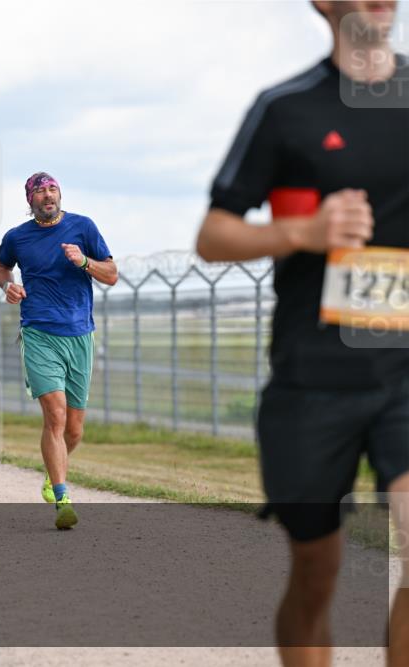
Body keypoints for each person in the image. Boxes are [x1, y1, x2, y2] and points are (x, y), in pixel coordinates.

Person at [195, 3, 408, 664]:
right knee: (316, 571)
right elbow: (213, 235)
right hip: (314, 375)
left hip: (405, 370)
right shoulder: (286, 109)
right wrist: (302, 232)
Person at [0, 172, 118, 530]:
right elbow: (1, 267)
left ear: (59, 194)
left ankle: (53, 473)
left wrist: (84, 262)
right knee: (56, 415)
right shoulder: (17, 237)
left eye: (52, 189)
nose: (47, 195)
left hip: (80, 334)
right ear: (30, 200)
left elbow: (111, 274)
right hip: (38, 333)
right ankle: (62, 498)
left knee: (74, 430)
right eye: (40, 191)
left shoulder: (83, 227)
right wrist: (8, 285)